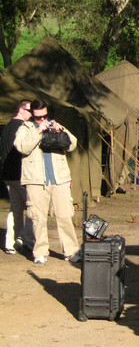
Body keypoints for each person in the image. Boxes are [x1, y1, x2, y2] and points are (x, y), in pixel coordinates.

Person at [14, 99, 80, 265]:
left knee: (65, 216)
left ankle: (71, 251)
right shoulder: (25, 129)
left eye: (44, 116)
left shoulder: (55, 124)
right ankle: (40, 252)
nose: (42, 120)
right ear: (32, 116)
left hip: (60, 179)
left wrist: (60, 131)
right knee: (38, 219)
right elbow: (22, 147)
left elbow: (73, 144)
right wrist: (38, 132)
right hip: (36, 181)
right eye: (38, 117)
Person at [1, 99, 34, 254]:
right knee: (32, 208)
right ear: (21, 110)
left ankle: (11, 242)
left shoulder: (7, 126)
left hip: (8, 174)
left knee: (16, 208)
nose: (31, 114)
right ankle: (25, 239)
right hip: (19, 174)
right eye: (29, 111)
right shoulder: (21, 127)